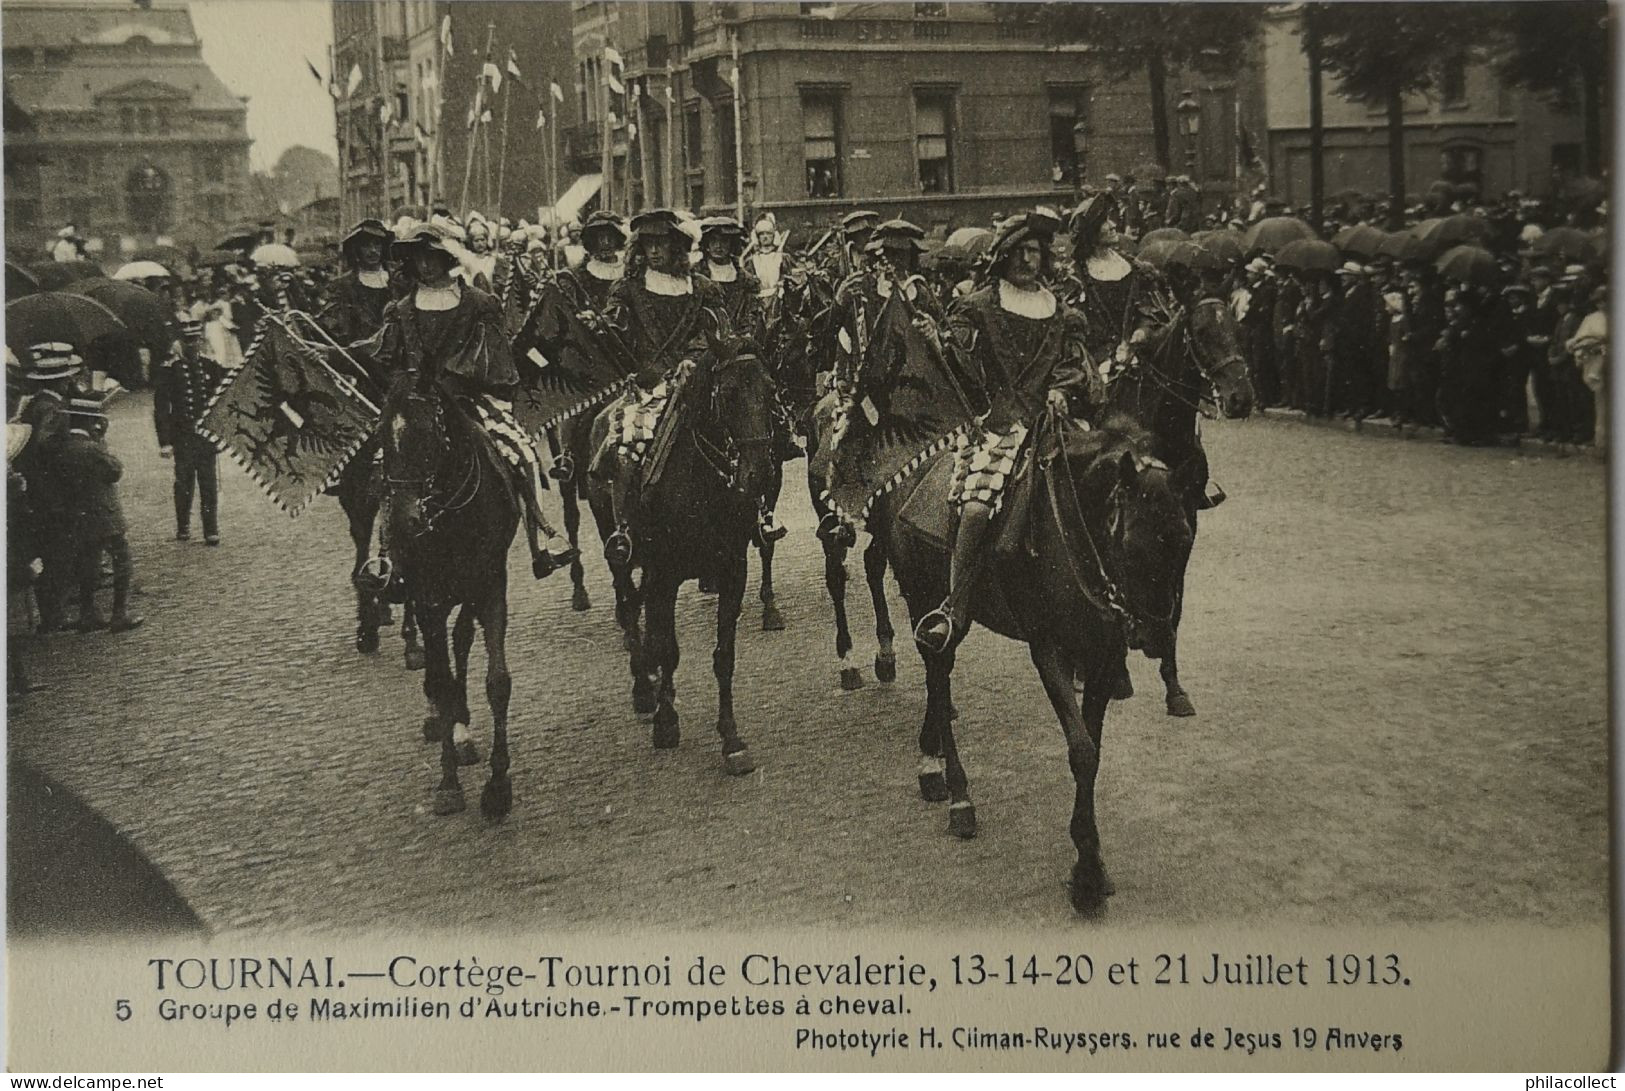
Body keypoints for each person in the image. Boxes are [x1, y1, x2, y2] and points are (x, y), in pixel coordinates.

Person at [913, 210, 1106, 654]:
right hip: (1002, 423)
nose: (1027, 260)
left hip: (1052, 421)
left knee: (1104, 477)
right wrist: (939, 341)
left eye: (1034, 252)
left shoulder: (1060, 312)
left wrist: (1061, 389)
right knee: (978, 507)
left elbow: (1072, 364)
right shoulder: (979, 306)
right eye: (1019, 252)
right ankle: (953, 608)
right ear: (1004, 257)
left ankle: (1110, 608)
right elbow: (964, 364)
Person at [363, 222, 577, 577]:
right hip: (418, 403)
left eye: (432, 257)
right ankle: (387, 555)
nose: (425, 266)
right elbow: (382, 352)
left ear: (446, 258)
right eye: (418, 259)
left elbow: (496, 357)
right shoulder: (400, 309)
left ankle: (542, 541)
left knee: (521, 452)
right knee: (386, 463)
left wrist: (463, 379)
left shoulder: (480, 304)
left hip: (473, 399)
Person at [589, 209, 733, 568]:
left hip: (696, 382)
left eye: (662, 244)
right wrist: (600, 325)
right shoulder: (628, 290)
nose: (655, 251)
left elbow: (716, 332)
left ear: (677, 247)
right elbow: (616, 325)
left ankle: (752, 515)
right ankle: (623, 528)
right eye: (649, 244)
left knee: (739, 431)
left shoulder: (701, 288)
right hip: (647, 388)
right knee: (625, 441)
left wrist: (694, 360)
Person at [13, 343, 82, 631]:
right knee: (57, 551)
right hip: (51, 490)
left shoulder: (34, 404)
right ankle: (55, 616)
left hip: (37, 489)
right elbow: (46, 444)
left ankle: (53, 613)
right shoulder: (52, 408)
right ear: (61, 380)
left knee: (47, 549)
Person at [60, 393, 142, 632]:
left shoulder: (64, 448)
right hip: (104, 513)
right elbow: (114, 470)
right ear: (89, 422)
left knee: (87, 562)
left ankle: (88, 613)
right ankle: (119, 614)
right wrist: (101, 441)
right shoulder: (92, 448)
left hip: (78, 513)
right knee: (122, 559)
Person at [154, 307, 225, 545]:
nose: (192, 345)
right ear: (180, 343)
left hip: (205, 437)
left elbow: (222, 398)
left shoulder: (210, 366)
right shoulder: (170, 370)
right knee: (184, 482)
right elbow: (162, 408)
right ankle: (183, 524)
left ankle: (211, 529)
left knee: (208, 484)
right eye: (187, 341)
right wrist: (165, 441)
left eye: (195, 340)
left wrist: (221, 431)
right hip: (183, 437)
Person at [322, 219, 395, 344]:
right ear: (356, 249)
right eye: (366, 245)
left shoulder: (398, 280)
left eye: (377, 244)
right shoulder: (342, 285)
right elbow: (336, 329)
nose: (373, 250)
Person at [557, 211, 626, 315]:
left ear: (617, 240)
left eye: (610, 237)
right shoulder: (579, 274)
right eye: (601, 238)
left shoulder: (628, 270)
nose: (606, 242)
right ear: (593, 241)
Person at [1566, 284, 1608, 452]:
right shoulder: (1591, 319)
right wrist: (1584, 347)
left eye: (1606, 301)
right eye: (1599, 302)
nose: (1602, 305)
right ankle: (1602, 443)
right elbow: (1577, 341)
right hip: (1598, 363)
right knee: (1602, 402)